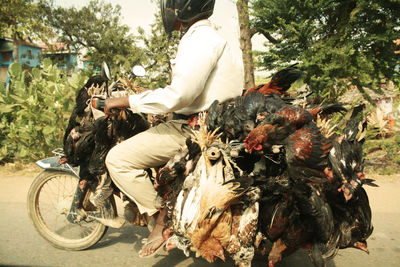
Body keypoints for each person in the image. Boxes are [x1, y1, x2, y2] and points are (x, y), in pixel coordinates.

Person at [104, 0, 243, 258]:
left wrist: (125, 100)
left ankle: (160, 217)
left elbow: (180, 96)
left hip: (193, 130)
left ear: (184, 8)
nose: (169, 11)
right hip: (215, 123)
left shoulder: (198, 39)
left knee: (117, 159)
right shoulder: (215, 38)